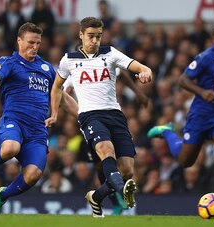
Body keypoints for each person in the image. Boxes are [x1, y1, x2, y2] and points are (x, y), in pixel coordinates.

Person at [0, 22, 78, 216]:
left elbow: (61, 96)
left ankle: (2, 196)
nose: (34, 47)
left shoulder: (46, 68)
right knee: (10, 148)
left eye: (38, 43)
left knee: (34, 174)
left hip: (37, 131)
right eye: (30, 42)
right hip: (14, 122)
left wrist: (85, 116)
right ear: (19, 41)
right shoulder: (8, 62)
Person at [45, 17, 153, 218]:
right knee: (105, 152)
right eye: (91, 36)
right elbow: (58, 88)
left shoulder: (110, 53)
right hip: (89, 115)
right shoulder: (69, 60)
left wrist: (146, 73)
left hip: (115, 114)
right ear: (81, 35)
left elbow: (138, 68)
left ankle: (96, 197)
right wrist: (55, 114)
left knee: (128, 170)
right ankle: (121, 193)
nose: (95, 41)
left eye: (98, 36)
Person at [147, 24, 214, 217]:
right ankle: (167, 132)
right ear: (213, 39)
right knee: (185, 161)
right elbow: (183, 80)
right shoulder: (205, 58)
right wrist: (201, 92)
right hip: (200, 115)